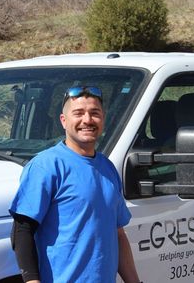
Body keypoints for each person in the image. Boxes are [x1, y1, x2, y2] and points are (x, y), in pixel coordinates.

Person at [9, 86, 141, 283]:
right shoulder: (46, 166)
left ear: (103, 119)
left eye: (94, 113)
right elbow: (22, 231)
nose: (87, 120)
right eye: (78, 113)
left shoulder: (108, 168)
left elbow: (118, 234)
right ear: (64, 121)